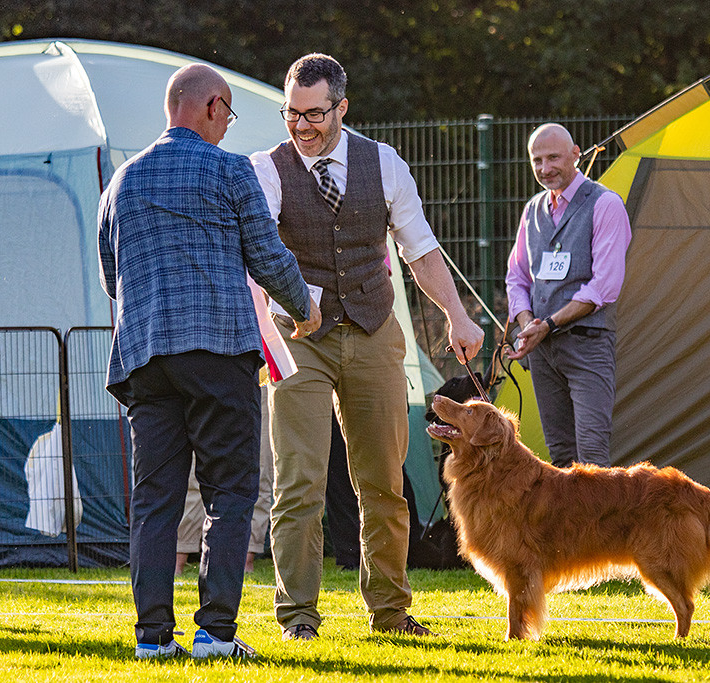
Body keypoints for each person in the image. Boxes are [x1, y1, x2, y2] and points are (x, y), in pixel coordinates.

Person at [250, 53, 484, 641]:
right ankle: (298, 617)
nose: (301, 126)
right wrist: (284, 310)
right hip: (298, 339)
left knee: (383, 482)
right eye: (292, 113)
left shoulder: (385, 163)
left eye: (314, 114)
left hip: (374, 331)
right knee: (298, 484)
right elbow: (256, 253)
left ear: (342, 108)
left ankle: (391, 613)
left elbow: (419, 248)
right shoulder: (266, 169)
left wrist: (456, 315)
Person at [97, 63, 320, 660]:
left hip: (145, 357)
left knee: (155, 500)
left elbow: (113, 280)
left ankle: (152, 639)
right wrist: (305, 310)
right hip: (218, 351)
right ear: (214, 107)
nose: (228, 125)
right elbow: (267, 257)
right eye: (229, 114)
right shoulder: (230, 170)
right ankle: (215, 633)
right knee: (230, 491)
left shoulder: (122, 181)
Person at [504, 123, 632, 468]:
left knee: (591, 457)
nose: (545, 168)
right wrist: (527, 325)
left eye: (553, 158)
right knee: (560, 456)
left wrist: (547, 324)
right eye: (537, 160)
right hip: (543, 351)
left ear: (575, 154)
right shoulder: (532, 210)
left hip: (588, 345)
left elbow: (604, 286)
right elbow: (517, 277)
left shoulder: (605, 204)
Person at [175, 385, 274, 576]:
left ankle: (247, 559)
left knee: (258, 469)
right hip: (206, 380)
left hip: (257, 380)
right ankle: (179, 558)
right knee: (193, 474)